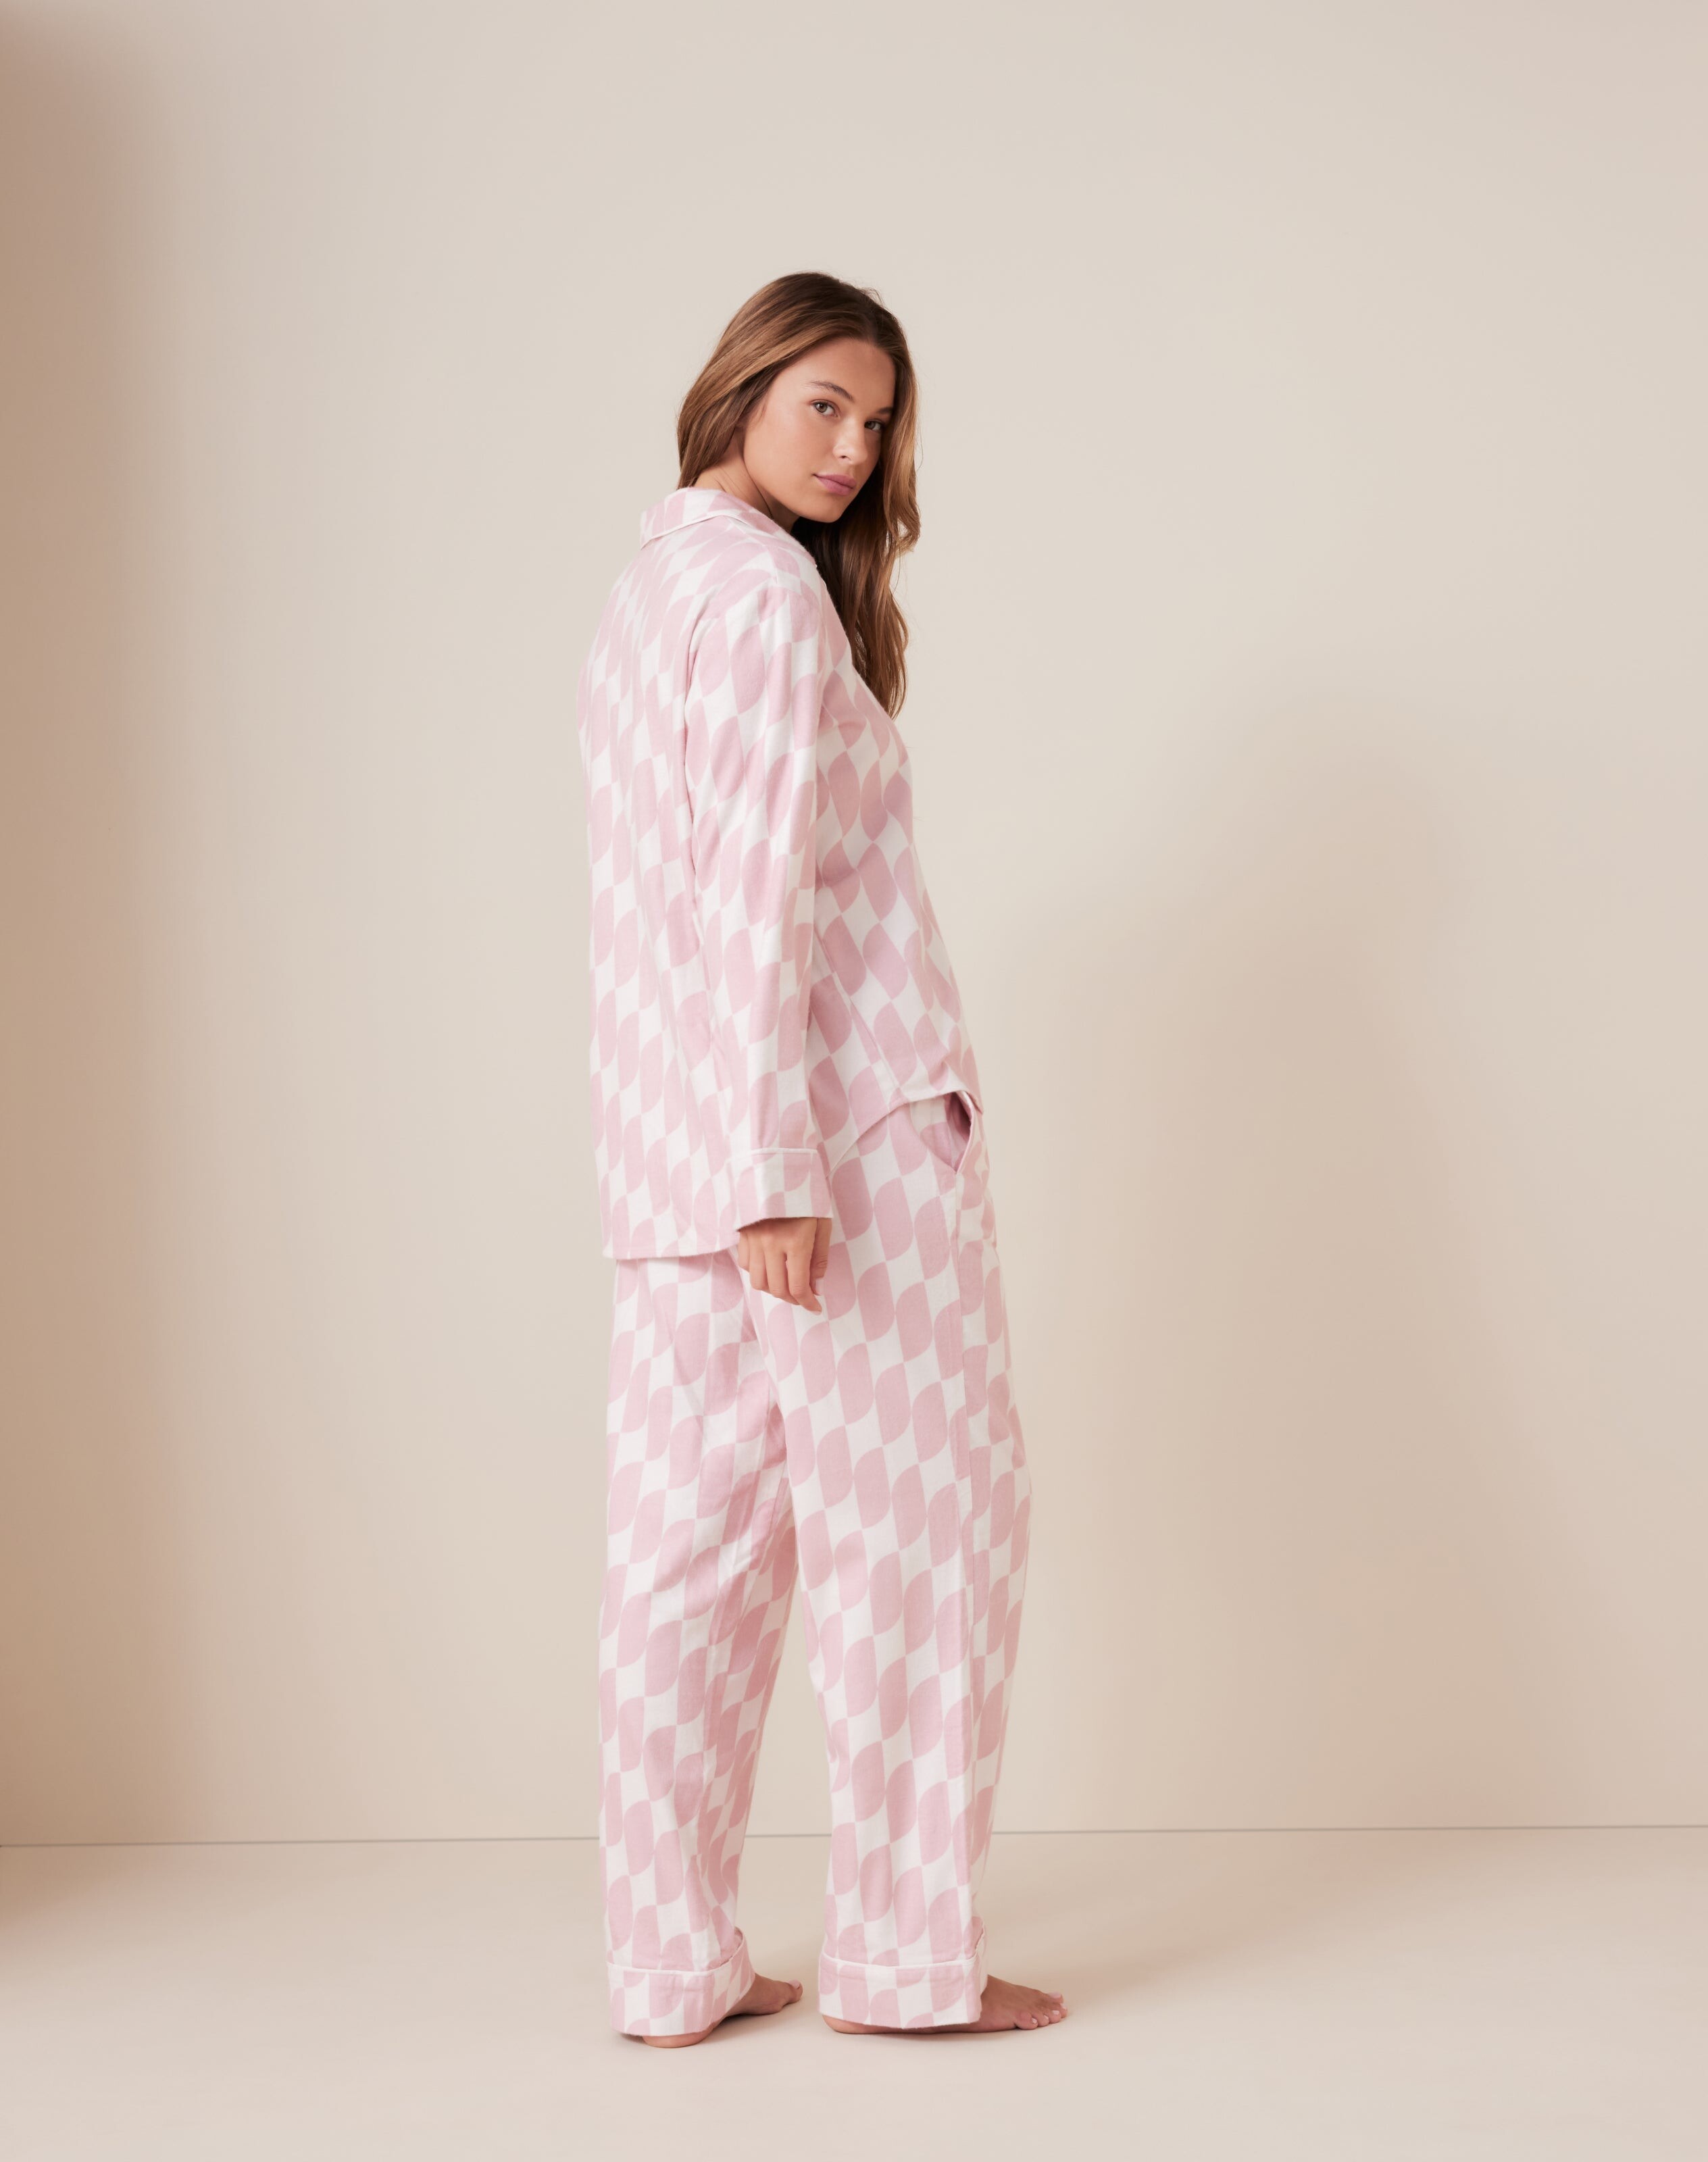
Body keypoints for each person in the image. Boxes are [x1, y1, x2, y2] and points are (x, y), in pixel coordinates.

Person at [578, 271, 1065, 2045]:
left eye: (879, 421)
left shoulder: (646, 598)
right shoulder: (768, 599)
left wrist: (727, 1161)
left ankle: (670, 1967)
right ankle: (907, 1961)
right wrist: (779, 1165)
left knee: (689, 1565)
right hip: (831, 1158)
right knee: (928, 1539)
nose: (855, 448)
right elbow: (760, 891)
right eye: (825, 405)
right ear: (744, 388)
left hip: (674, 1166)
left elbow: (676, 909)